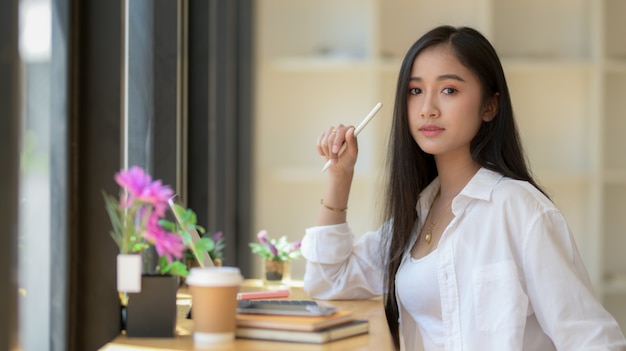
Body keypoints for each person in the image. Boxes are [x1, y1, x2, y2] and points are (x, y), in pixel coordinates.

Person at [301, 25, 626, 351]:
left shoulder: (519, 208)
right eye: (415, 91)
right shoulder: (418, 214)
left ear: (490, 106)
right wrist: (340, 177)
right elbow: (329, 281)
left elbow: (593, 341)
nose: (427, 108)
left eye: (449, 90)